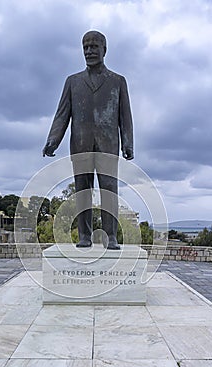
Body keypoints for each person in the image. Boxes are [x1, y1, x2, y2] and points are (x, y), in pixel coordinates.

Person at [42, 30, 133, 249]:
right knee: (82, 192)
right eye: (86, 47)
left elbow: (125, 116)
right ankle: (85, 235)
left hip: (108, 146)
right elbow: (62, 114)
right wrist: (53, 139)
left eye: (94, 47)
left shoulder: (118, 81)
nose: (89, 51)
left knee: (109, 192)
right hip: (80, 145)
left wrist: (128, 143)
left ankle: (110, 236)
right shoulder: (72, 81)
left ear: (104, 49)